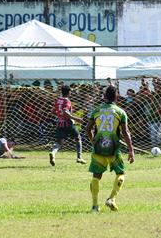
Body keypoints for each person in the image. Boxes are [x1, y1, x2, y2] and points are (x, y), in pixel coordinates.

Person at [85, 85, 135, 213]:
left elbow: (87, 129)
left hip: (98, 148)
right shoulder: (120, 112)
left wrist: (93, 141)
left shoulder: (96, 111)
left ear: (104, 96)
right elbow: (125, 132)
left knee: (96, 176)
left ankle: (95, 206)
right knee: (121, 173)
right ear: (116, 97)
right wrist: (131, 150)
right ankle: (111, 199)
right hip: (113, 148)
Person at [49, 85, 86, 166]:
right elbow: (66, 112)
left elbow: (52, 111)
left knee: (59, 142)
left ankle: (53, 153)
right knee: (78, 138)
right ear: (69, 92)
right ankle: (79, 157)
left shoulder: (58, 100)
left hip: (59, 123)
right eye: (70, 91)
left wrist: (59, 115)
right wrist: (76, 119)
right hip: (68, 123)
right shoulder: (67, 101)